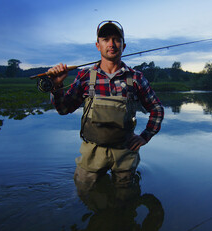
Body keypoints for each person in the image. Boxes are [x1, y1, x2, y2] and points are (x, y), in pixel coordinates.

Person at [48, 20, 164, 188]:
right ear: (98, 45)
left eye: (116, 39)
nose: (111, 43)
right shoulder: (85, 76)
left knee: (126, 200)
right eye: (105, 39)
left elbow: (157, 109)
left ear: (123, 46)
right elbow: (63, 109)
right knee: (85, 195)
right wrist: (57, 85)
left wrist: (145, 136)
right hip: (91, 152)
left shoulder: (136, 78)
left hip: (125, 151)